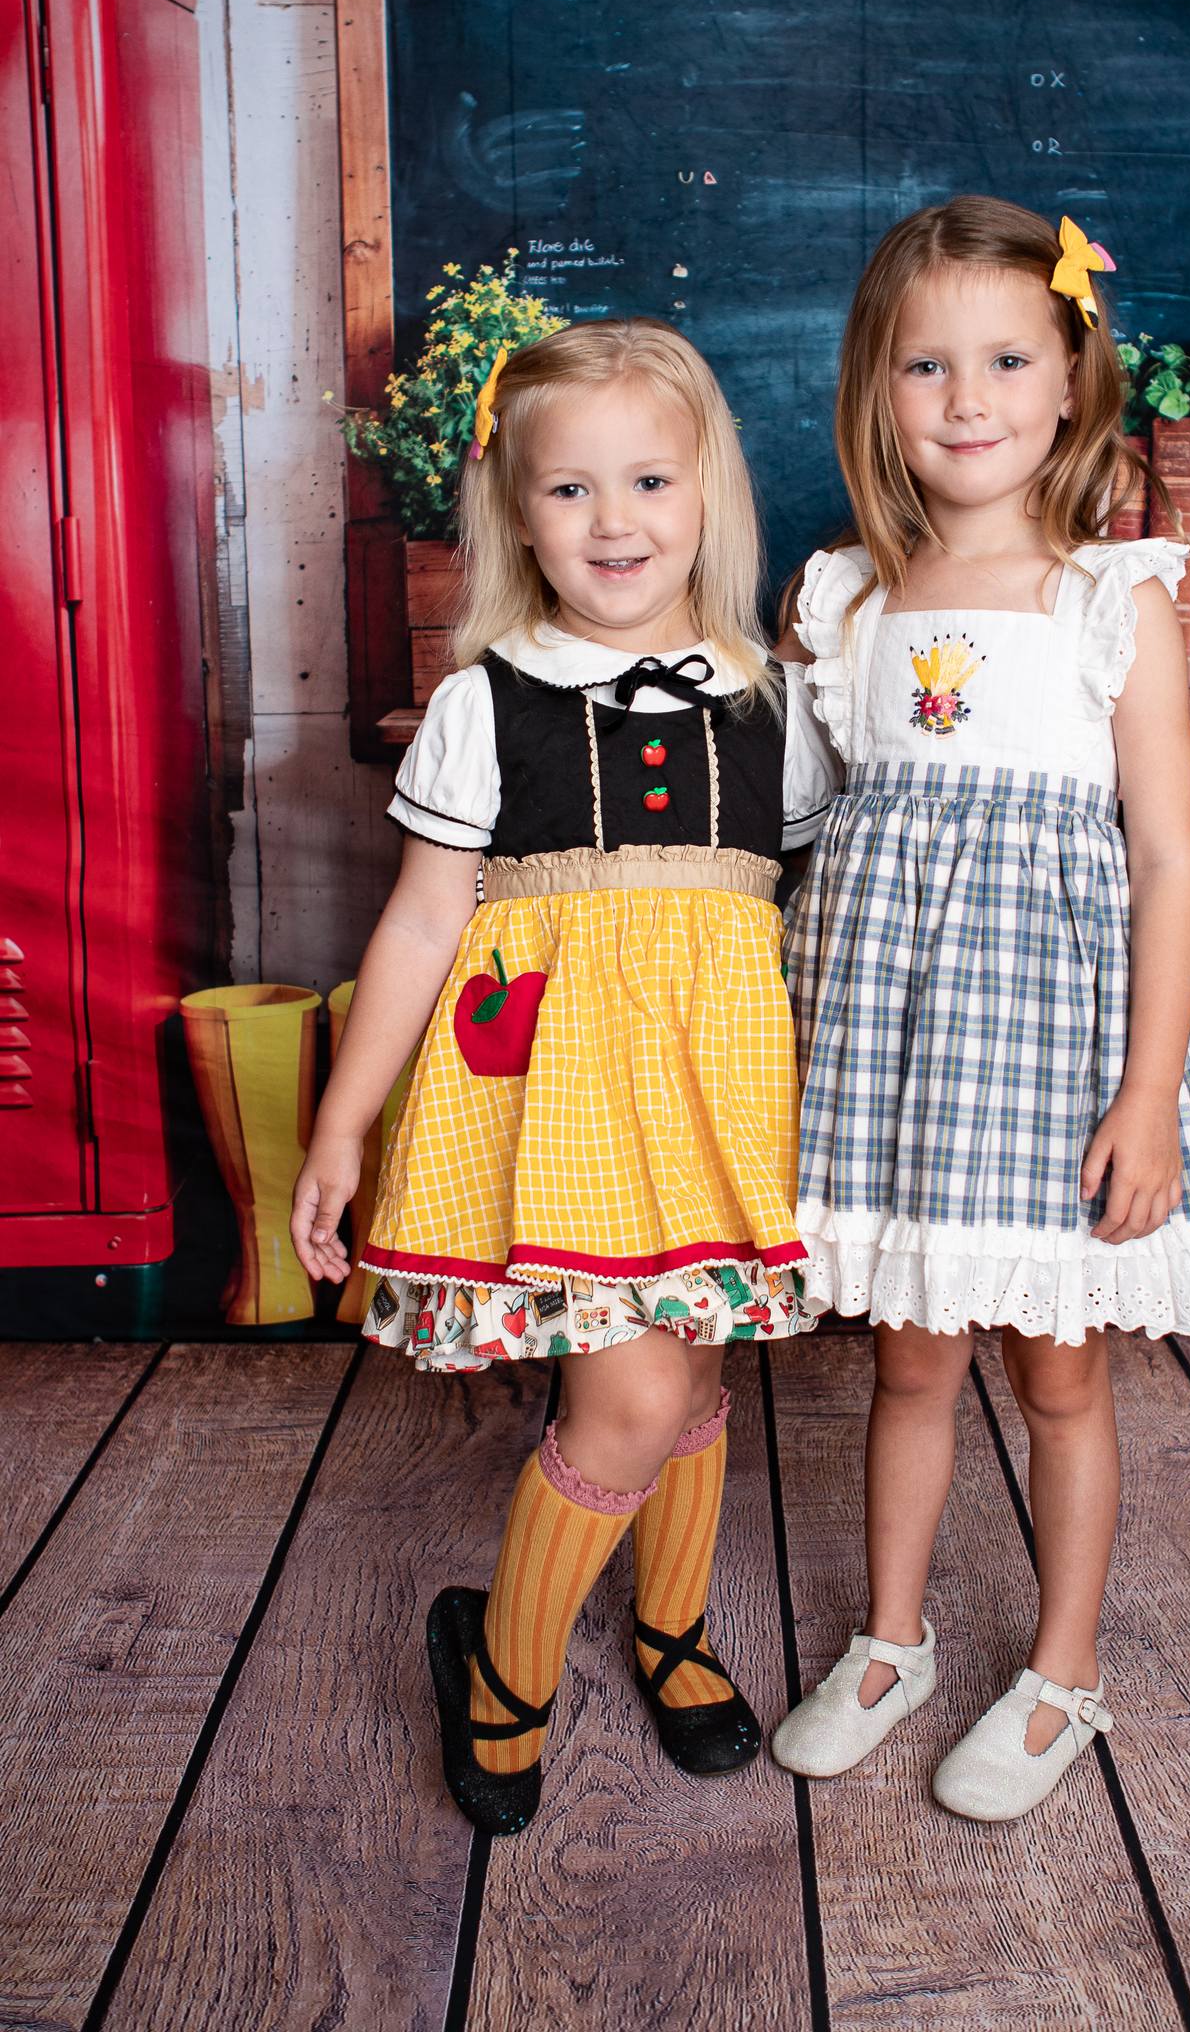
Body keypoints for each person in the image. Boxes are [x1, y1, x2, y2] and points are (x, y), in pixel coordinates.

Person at [290, 317, 837, 1835]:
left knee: (695, 1372)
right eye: (571, 491)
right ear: (514, 511)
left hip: (715, 1101)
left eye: (651, 481)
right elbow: (417, 923)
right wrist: (344, 1121)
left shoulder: (774, 704)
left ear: (709, 494)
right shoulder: (489, 703)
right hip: (559, 1105)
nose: (616, 523)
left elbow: (801, 922)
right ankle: (503, 1669)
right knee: (628, 1401)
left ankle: (667, 1633)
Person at [770, 197, 1190, 1821]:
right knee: (908, 1366)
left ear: (1072, 381)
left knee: (1059, 1374)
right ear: (877, 389)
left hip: (1055, 1060)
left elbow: (1168, 866)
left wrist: (1143, 1098)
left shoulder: (1107, 598)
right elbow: (794, 833)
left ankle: (1065, 1674)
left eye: (1004, 359)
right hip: (903, 1060)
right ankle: (891, 1641)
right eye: (927, 365)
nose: (967, 398)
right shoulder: (847, 600)